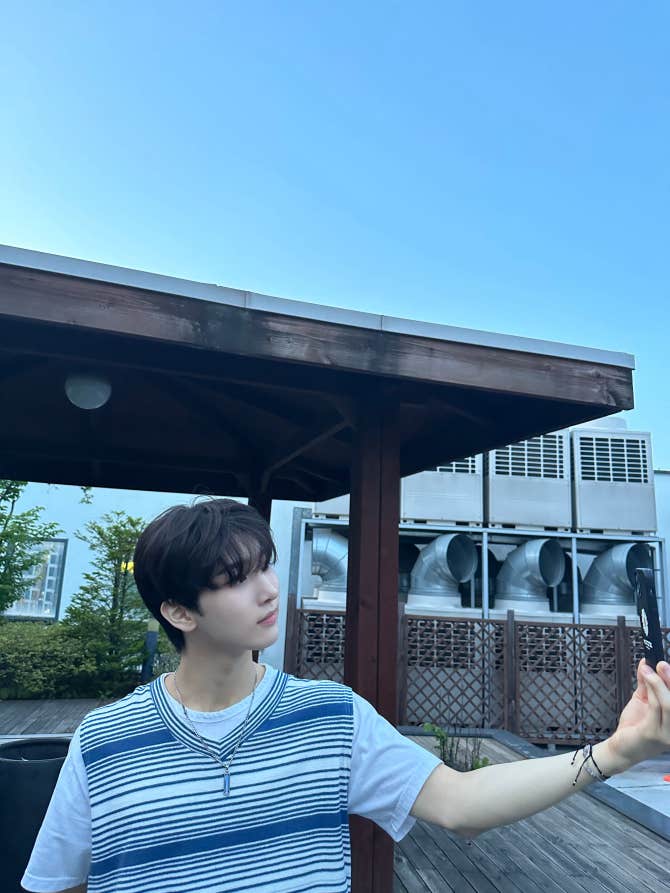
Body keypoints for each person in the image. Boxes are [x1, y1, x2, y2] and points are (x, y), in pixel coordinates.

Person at [22, 498, 670, 893]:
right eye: (237, 578)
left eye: (266, 565)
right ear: (179, 611)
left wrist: (615, 751)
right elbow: (60, 882)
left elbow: (462, 802)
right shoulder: (102, 741)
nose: (269, 588)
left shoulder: (331, 715)